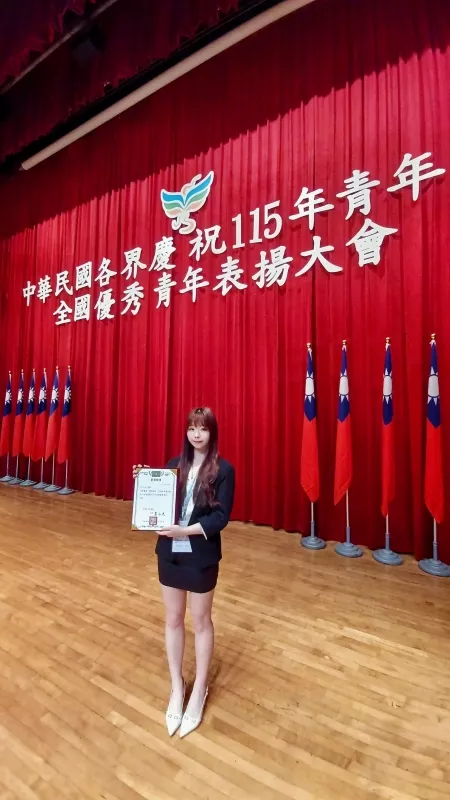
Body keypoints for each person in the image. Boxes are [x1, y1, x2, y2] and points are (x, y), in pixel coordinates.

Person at [133, 406, 235, 738]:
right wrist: (144, 483)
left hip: (201, 554)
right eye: (191, 428)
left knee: (201, 621)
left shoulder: (224, 470)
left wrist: (184, 531)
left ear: (211, 432)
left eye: (202, 428)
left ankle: (200, 687)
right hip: (170, 555)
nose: (196, 434)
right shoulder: (172, 465)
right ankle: (177, 686)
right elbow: (160, 504)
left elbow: (220, 518)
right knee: (173, 619)